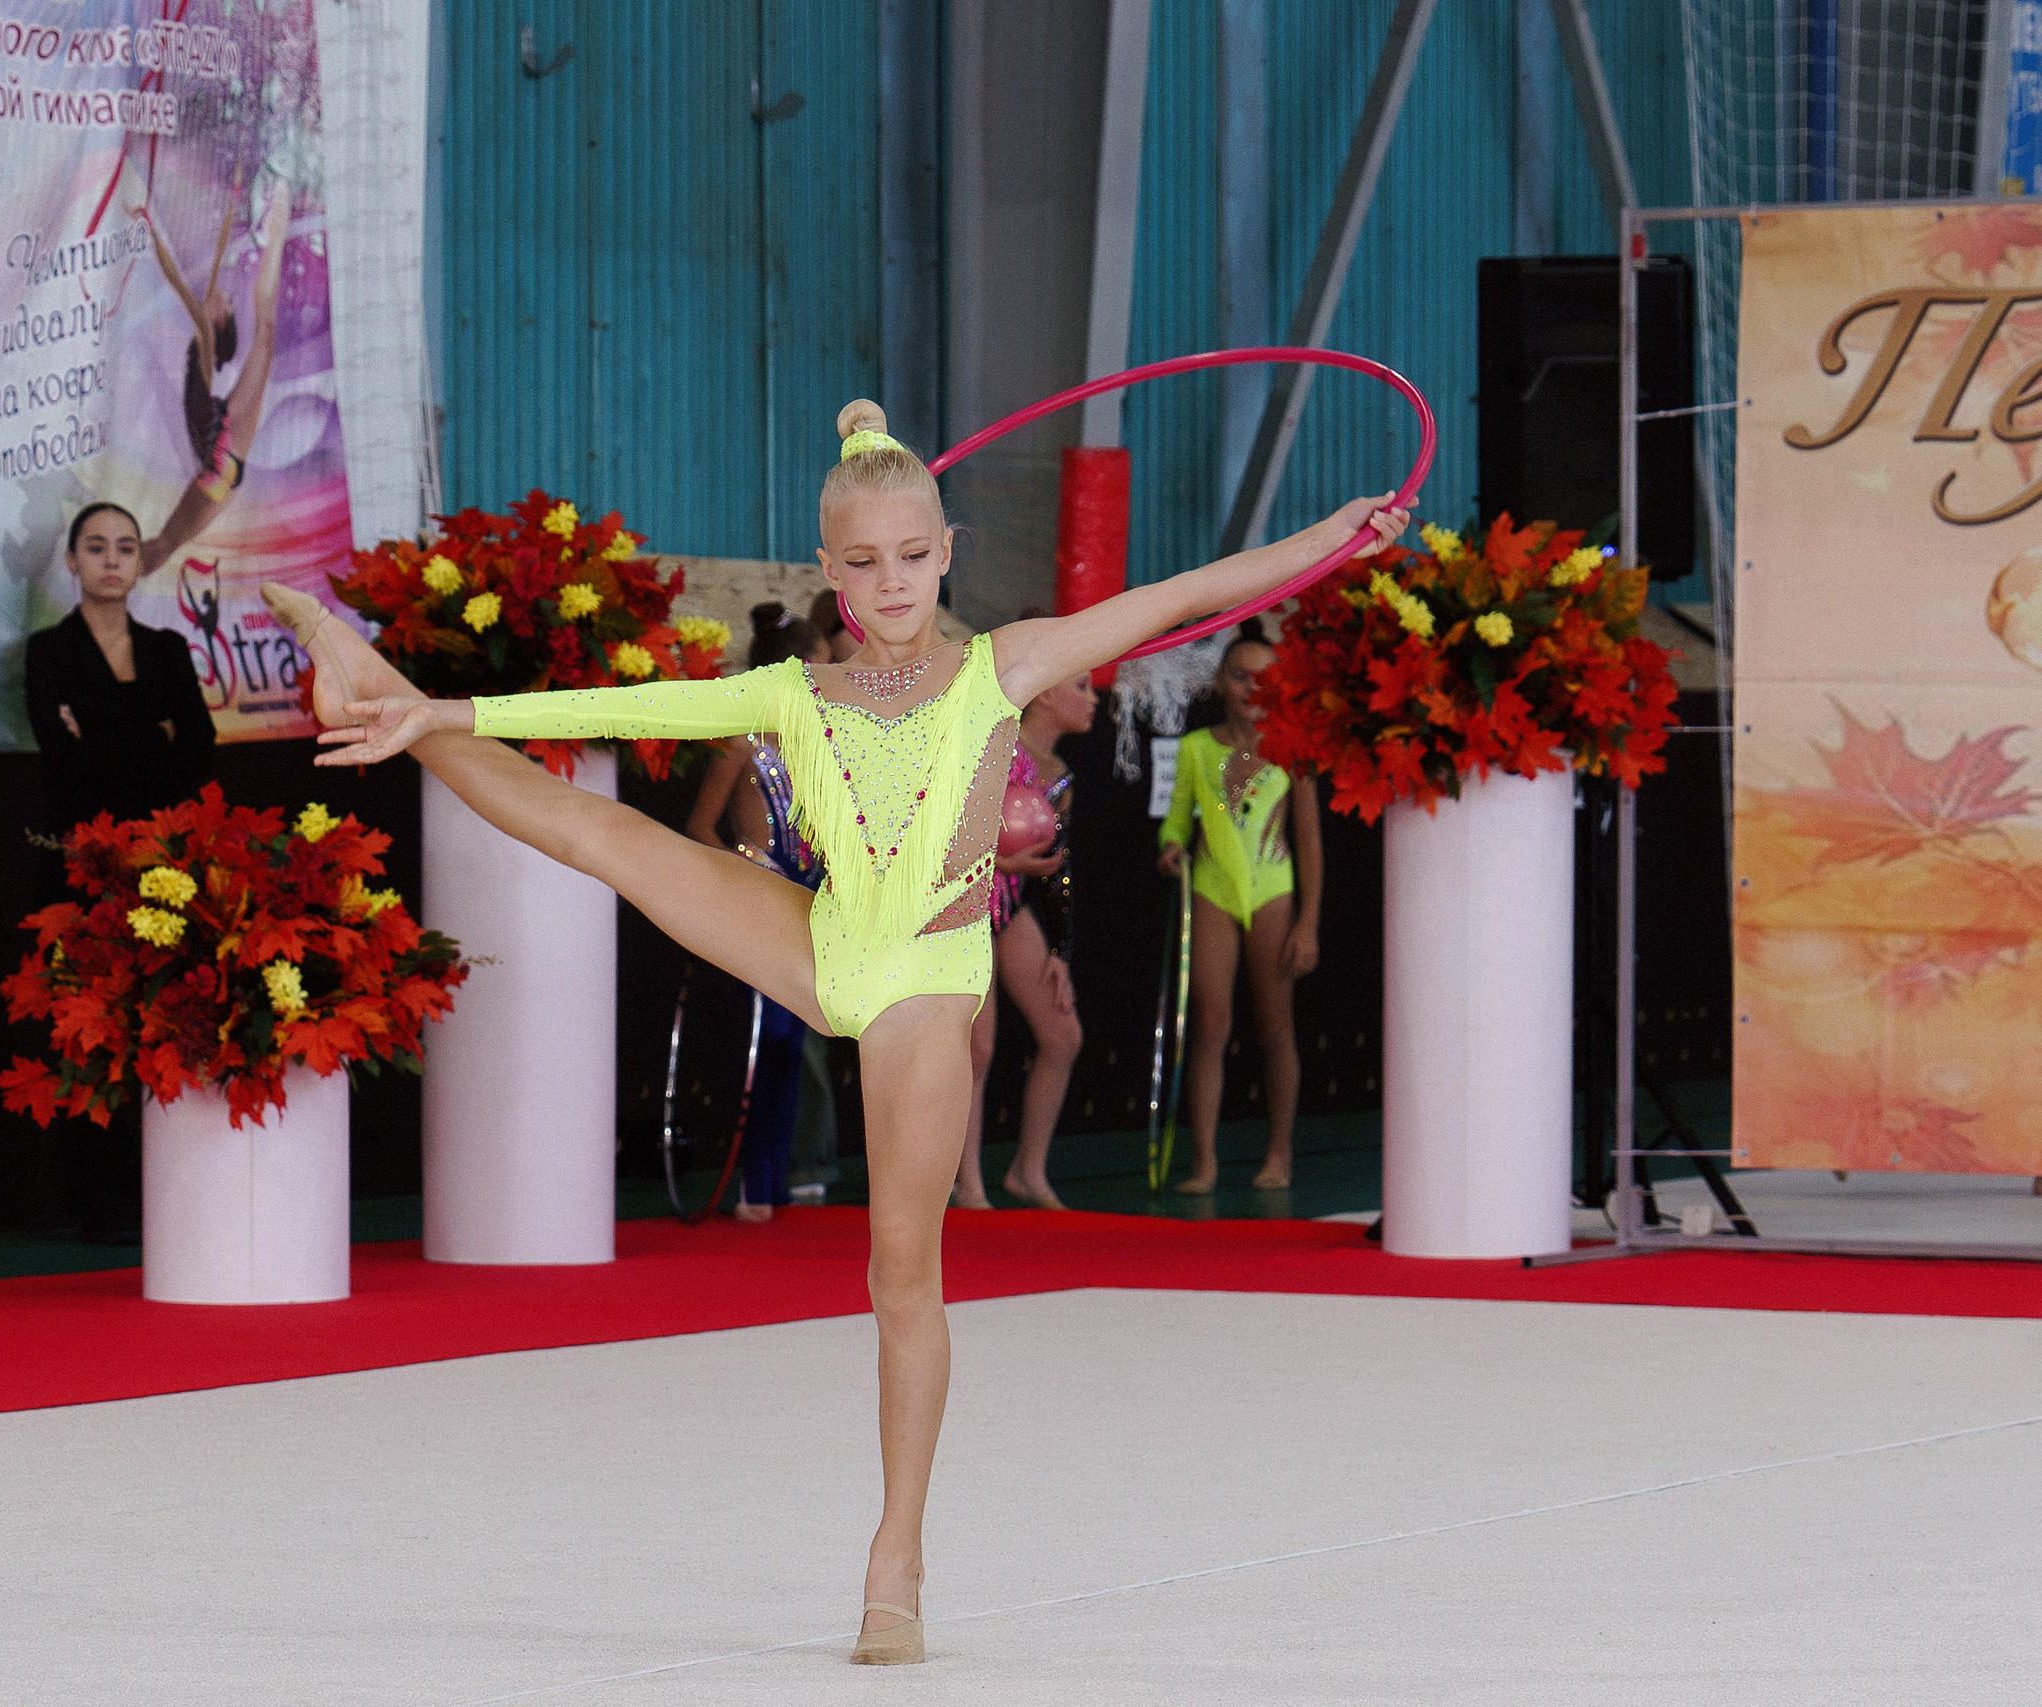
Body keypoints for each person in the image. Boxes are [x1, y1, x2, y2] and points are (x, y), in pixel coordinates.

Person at [264, 401, 1406, 1664]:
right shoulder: (788, 691)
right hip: (826, 944)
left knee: (898, 1271)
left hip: (926, 972)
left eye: (911, 556)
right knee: (603, 833)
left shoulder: (1004, 668)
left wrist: (1333, 536)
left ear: (947, 548)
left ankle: (896, 1556)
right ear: (826, 570)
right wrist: (456, 717)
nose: (889, 582)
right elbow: (613, 712)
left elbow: (1183, 589)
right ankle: (388, 691)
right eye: (860, 563)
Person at [24, 502, 218, 1241]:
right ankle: (91, 1205)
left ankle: (166, 1196)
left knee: (167, 1020)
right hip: (82, 868)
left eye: (126, 547)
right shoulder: (48, 652)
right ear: (72, 560)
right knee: (87, 1027)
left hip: (165, 867)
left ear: (142, 562)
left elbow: (196, 755)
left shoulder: (168, 650)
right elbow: (65, 758)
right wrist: (151, 735)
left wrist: (105, 729)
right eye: (96, 547)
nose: (112, 558)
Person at [1157, 629, 1323, 1194]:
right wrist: (1171, 845)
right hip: (1211, 890)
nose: (1252, 688)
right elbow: (1179, 818)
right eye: (1240, 675)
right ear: (1221, 683)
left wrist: (1308, 923)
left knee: (1277, 1027)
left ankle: (1280, 1152)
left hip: (1273, 892)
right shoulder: (1196, 748)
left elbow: (1310, 843)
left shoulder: (1293, 747)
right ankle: (1204, 1160)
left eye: (1265, 678)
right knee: (1209, 1024)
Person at [686, 603, 829, 1222]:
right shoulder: (740, 741)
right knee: (770, 1038)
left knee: (795, 1040)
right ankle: (753, 1181)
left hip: (809, 896)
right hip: (764, 894)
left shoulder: (815, 743)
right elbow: (698, 827)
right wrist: (747, 868)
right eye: (819, 673)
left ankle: (769, 1181)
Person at [953, 664, 1096, 1211]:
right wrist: (1004, 861)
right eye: (1080, 686)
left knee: (1063, 1034)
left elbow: (1057, 867)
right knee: (978, 1047)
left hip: (1009, 903)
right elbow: (952, 832)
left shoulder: (1059, 773)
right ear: (1043, 690)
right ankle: (968, 1184)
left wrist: (1060, 949)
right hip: (964, 903)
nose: (1093, 700)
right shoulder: (991, 745)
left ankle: (1027, 1171)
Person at [132, 177, 293, 579]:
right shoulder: (204, 341)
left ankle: (277, 236)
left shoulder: (203, 336)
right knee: (161, 547)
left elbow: (181, 272)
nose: (221, 295)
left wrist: (150, 223)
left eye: (226, 303)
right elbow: (205, 262)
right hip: (221, 462)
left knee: (267, 337)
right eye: (226, 299)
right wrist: (234, 197)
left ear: (219, 321)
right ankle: (117, 587)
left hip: (220, 454)